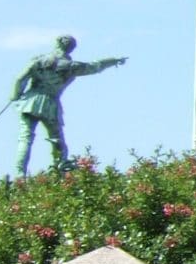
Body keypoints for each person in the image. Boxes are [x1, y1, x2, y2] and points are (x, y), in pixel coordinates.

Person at [11, 35, 125, 176]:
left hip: (30, 101)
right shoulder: (71, 66)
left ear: (57, 44)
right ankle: (60, 173)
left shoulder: (39, 60)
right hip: (50, 103)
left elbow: (20, 79)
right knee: (56, 138)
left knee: (25, 137)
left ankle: (19, 173)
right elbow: (95, 66)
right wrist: (114, 61)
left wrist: (16, 95)